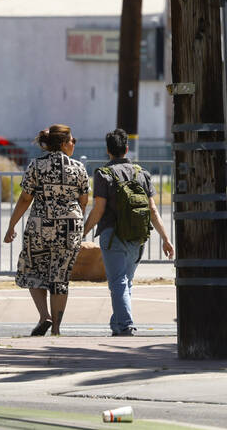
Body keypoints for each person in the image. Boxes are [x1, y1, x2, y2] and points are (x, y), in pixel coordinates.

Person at [82, 128, 174, 337]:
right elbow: (152, 209)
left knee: (118, 282)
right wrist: (166, 238)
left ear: (108, 151)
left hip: (112, 235)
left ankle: (125, 326)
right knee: (125, 282)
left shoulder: (103, 175)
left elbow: (99, 210)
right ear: (126, 148)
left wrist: (84, 231)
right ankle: (117, 324)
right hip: (137, 235)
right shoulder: (142, 174)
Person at [3, 124, 89, 337]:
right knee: (61, 275)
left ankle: (44, 316)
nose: (74, 144)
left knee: (33, 268)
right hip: (70, 227)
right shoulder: (78, 168)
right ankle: (57, 329)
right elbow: (84, 200)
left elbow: (25, 198)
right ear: (63, 143)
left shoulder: (36, 166)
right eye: (71, 140)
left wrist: (12, 225)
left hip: (40, 225)